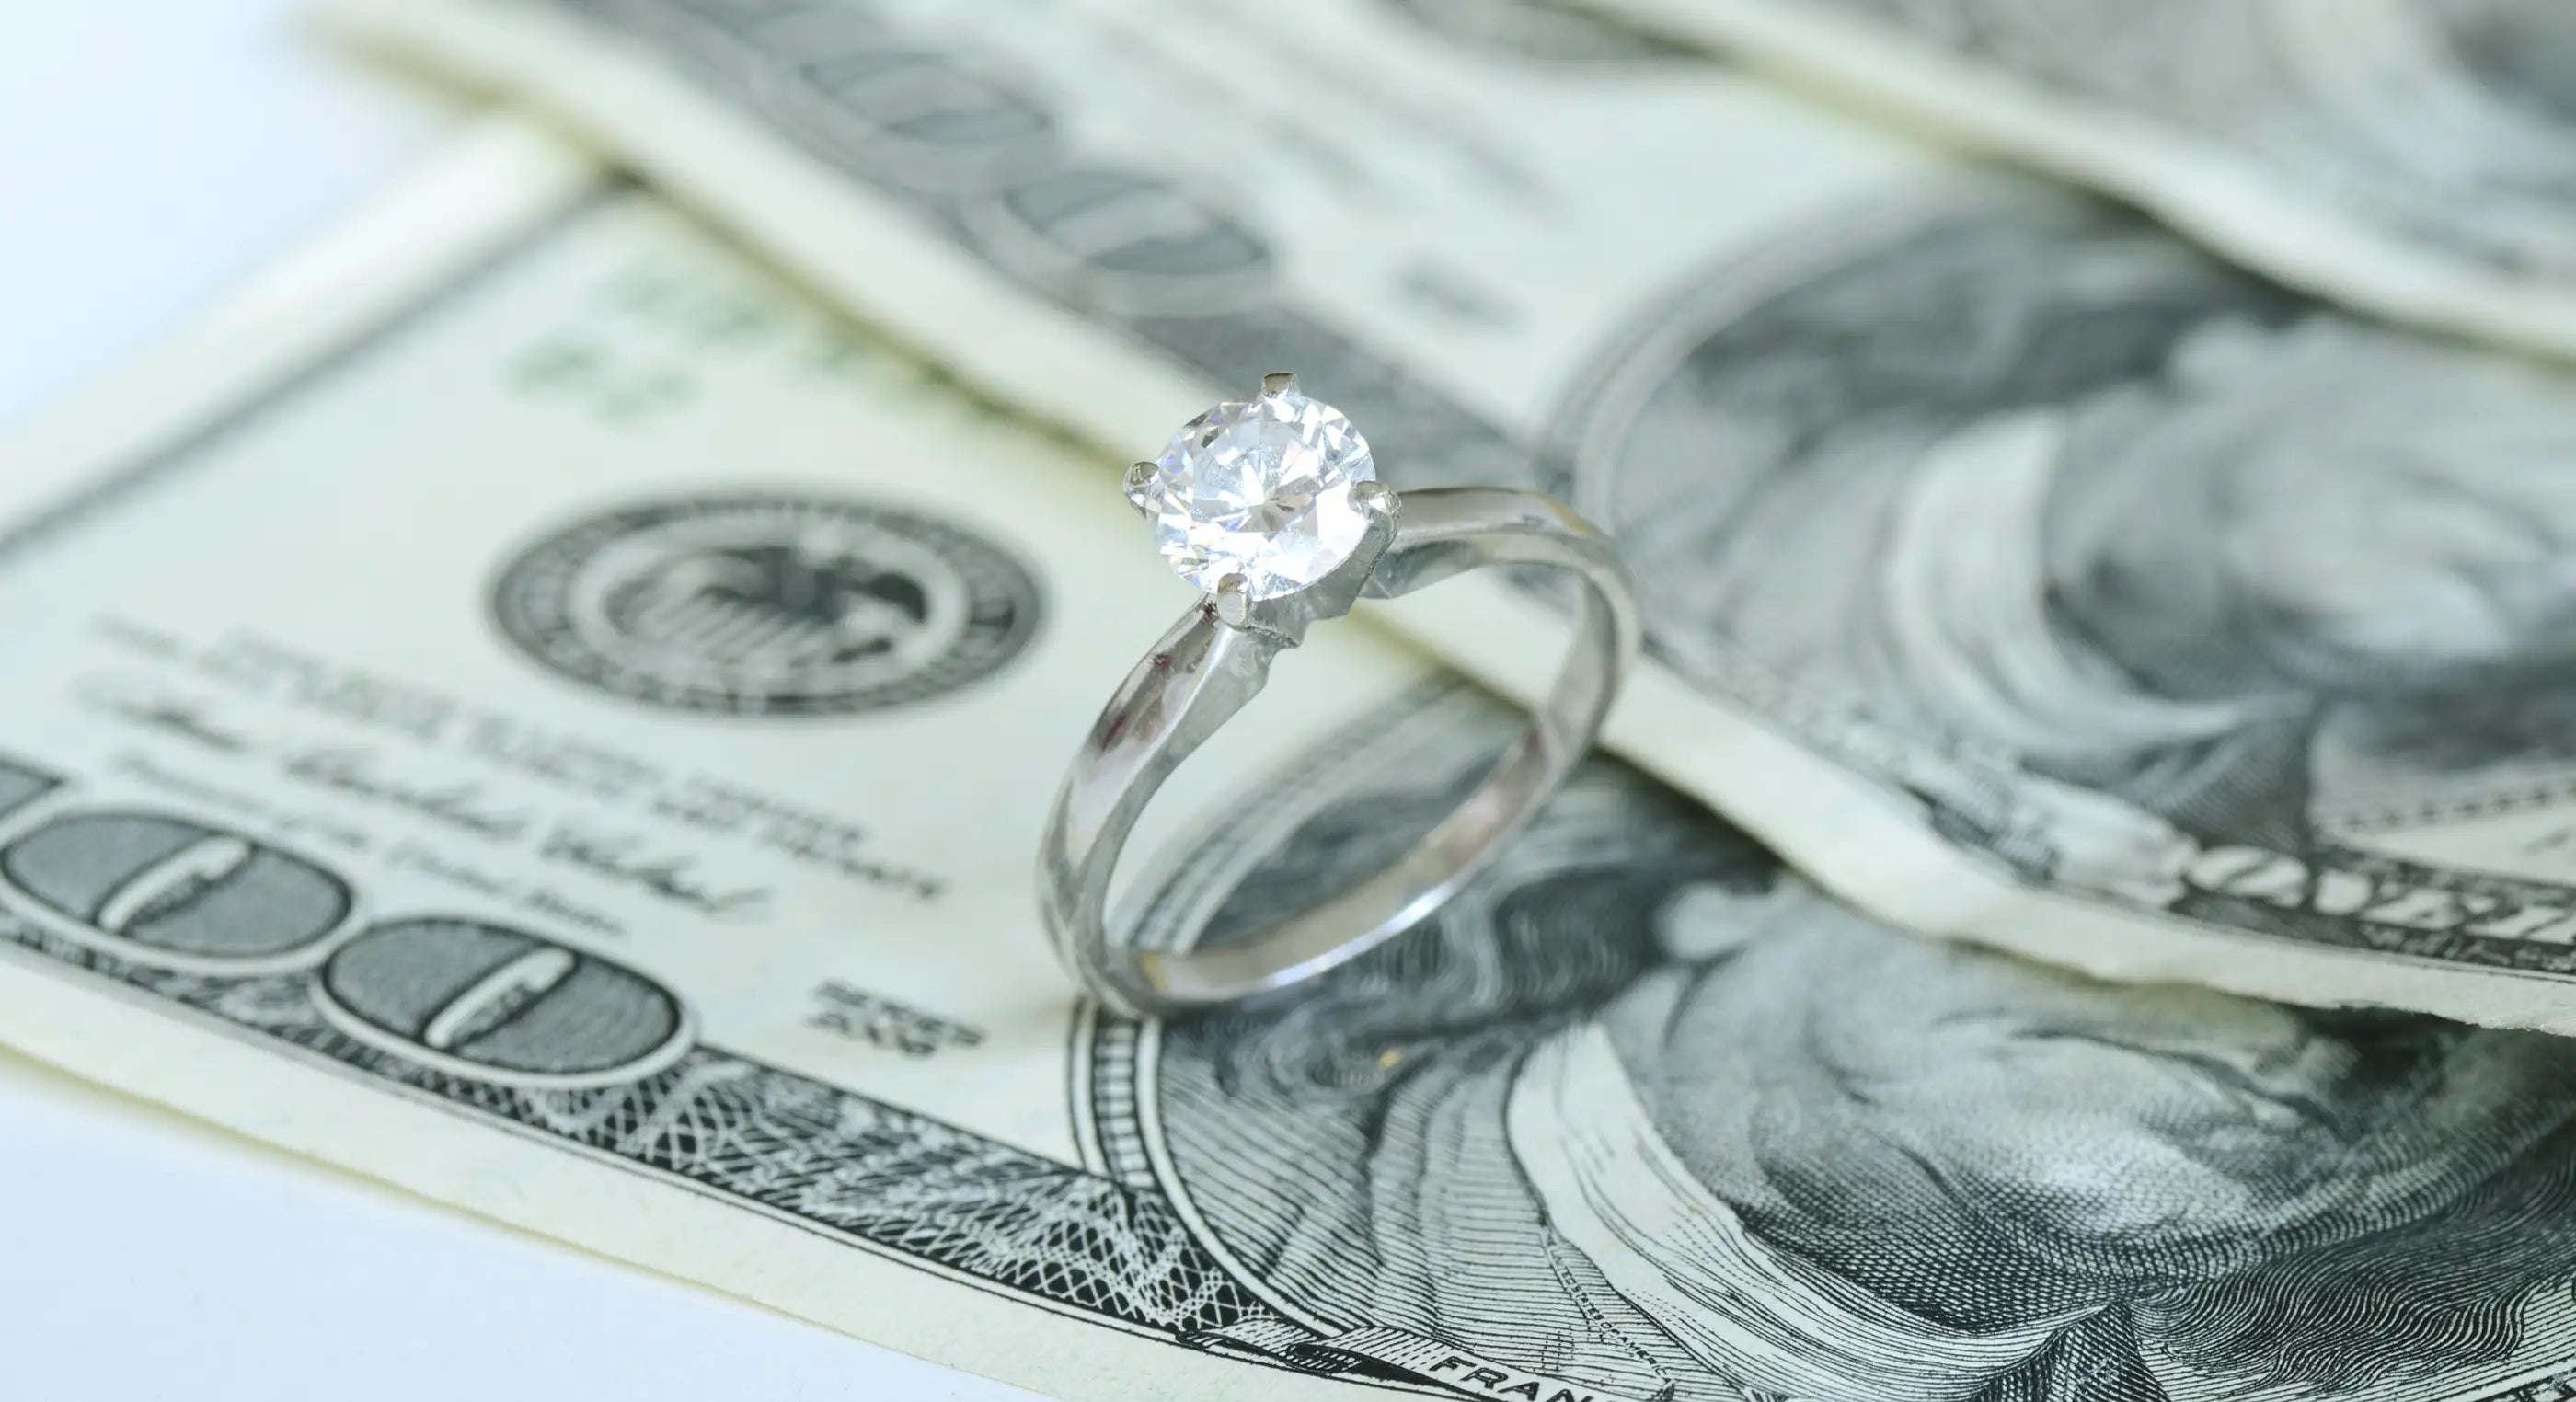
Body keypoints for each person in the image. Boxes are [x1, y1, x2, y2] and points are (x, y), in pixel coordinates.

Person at [1145, 708, 2576, 1402]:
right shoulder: (1244, 1178)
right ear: (1745, 886)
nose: (2282, 1043)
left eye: (2417, 1035)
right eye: (2104, 945)